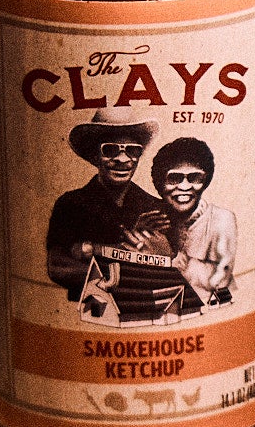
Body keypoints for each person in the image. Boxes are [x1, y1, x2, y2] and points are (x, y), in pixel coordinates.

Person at [44, 112, 168, 302]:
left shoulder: (154, 206)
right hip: (85, 318)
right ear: (95, 155)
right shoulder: (70, 205)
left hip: (144, 311)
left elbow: (170, 263)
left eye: (132, 150)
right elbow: (57, 267)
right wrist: (117, 271)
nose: (122, 159)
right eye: (110, 150)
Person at [135, 137, 237, 309]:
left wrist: (174, 258)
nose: (184, 187)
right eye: (174, 178)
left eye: (194, 178)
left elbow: (222, 278)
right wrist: (138, 238)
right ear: (160, 184)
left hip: (212, 312)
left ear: (205, 181)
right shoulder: (155, 219)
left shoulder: (221, 219)